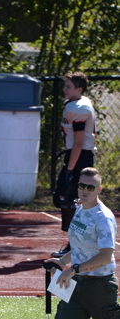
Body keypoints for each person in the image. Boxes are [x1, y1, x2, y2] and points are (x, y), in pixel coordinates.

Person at [14, 167, 120, 319]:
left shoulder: (103, 217)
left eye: (90, 187)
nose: (84, 190)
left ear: (99, 189)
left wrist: (74, 269)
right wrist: (62, 261)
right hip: (78, 283)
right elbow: (80, 246)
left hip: (100, 286)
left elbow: (105, 255)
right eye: (82, 185)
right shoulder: (80, 209)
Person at [52, 72, 96, 258]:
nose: (65, 89)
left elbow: (78, 143)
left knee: (71, 198)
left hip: (80, 156)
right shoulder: (76, 103)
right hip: (78, 155)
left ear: (79, 89)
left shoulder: (79, 108)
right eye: (65, 86)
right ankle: (76, 242)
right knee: (66, 198)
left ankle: (75, 244)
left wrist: (69, 170)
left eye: (69, 86)